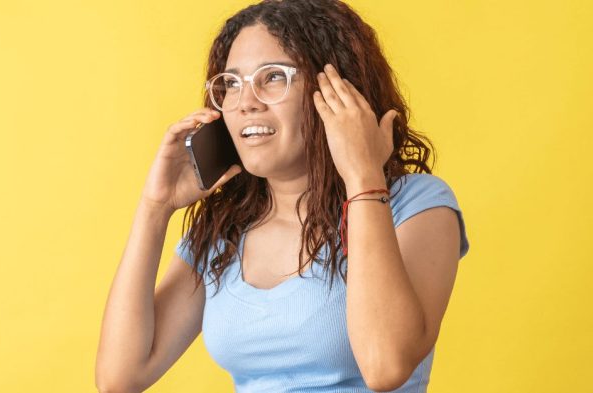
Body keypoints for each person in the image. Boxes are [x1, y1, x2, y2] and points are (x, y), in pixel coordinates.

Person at [95, 1, 471, 392]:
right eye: (232, 83)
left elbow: (385, 367)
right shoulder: (223, 233)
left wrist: (362, 176)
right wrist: (155, 209)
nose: (246, 102)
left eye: (273, 77)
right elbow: (120, 378)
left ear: (336, 90)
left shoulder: (415, 205)